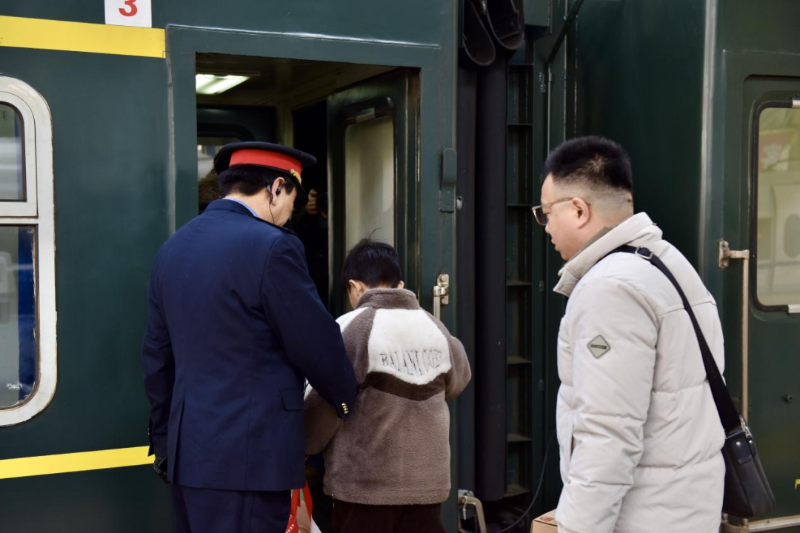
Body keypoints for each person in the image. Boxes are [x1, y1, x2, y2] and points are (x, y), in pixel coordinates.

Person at [141, 141, 358, 533]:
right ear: (276, 188)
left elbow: (157, 358)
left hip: (188, 458)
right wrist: (346, 399)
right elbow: (315, 342)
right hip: (250, 460)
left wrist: (165, 442)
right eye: (291, 199)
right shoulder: (274, 247)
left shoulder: (172, 249)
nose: (289, 214)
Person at [537, 136, 725, 533]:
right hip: (686, 507)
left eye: (546, 213)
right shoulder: (668, 263)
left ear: (578, 210)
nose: (546, 226)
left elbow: (608, 434)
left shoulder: (609, 288)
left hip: (643, 517)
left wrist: (576, 526)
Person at [303, 239, 472, 533]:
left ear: (355, 287)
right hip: (427, 485)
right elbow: (460, 380)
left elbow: (324, 400)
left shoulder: (351, 328)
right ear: (400, 284)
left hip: (365, 488)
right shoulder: (435, 327)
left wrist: (302, 445)